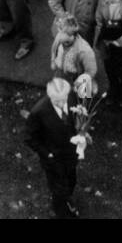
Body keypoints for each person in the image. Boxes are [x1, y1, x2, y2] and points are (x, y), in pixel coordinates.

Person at [26, 77, 83, 219]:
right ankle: (62, 212)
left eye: (63, 98)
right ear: (49, 96)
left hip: (71, 153)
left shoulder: (71, 98)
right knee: (58, 189)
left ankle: (68, 200)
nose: (62, 103)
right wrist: (47, 154)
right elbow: (30, 137)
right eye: (57, 100)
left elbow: (75, 118)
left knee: (71, 180)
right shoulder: (38, 112)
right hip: (53, 158)